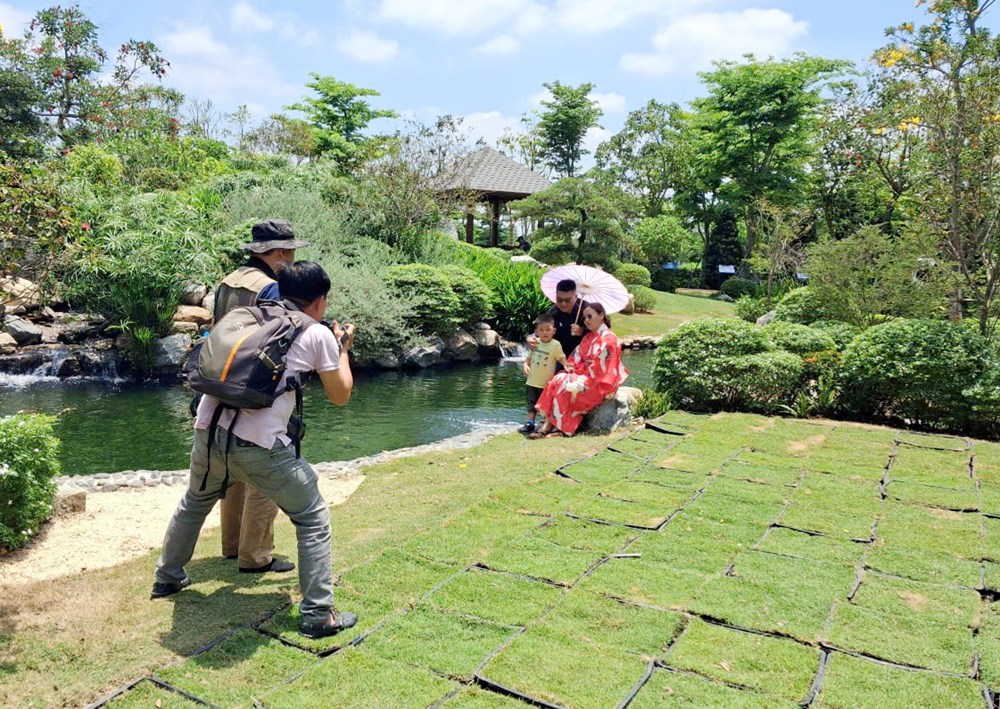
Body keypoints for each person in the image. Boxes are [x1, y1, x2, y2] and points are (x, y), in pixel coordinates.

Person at [152, 261, 358, 639]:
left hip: (208, 431)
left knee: (195, 501)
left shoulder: (249, 315)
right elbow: (340, 394)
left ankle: (167, 577)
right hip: (261, 446)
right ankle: (318, 614)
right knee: (312, 516)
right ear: (320, 301)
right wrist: (342, 349)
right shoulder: (316, 333)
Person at [215, 219, 307, 575]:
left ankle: (231, 544)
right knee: (266, 469)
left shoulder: (229, 280)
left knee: (232, 466)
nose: (293, 259)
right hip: (257, 385)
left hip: (221, 380)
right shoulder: (271, 287)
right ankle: (255, 556)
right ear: (280, 253)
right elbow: (279, 338)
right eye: (291, 252)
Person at [530, 301, 629, 438]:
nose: (586, 320)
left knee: (567, 384)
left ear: (601, 315)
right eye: (584, 317)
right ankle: (549, 423)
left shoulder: (609, 338)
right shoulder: (588, 337)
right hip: (585, 376)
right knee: (558, 378)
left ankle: (561, 428)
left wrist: (579, 373)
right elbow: (576, 357)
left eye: (589, 316)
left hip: (601, 382)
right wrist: (571, 369)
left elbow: (603, 367)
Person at [519, 313, 570, 434]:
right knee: (531, 402)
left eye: (548, 329)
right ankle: (530, 422)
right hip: (532, 380)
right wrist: (525, 366)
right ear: (536, 331)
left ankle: (546, 422)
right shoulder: (535, 343)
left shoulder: (555, 345)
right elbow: (528, 358)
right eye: (541, 330)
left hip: (546, 382)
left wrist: (566, 365)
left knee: (546, 403)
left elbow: (561, 357)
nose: (545, 332)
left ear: (554, 331)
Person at [526, 279, 584, 362]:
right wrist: (530, 338)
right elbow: (540, 331)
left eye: (567, 300)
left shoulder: (585, 309)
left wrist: (582, 331)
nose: (563, 303)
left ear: (576, 297)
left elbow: (598, 330)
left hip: (583, 356)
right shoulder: (552, 314)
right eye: (559, 300)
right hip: (560, 358)